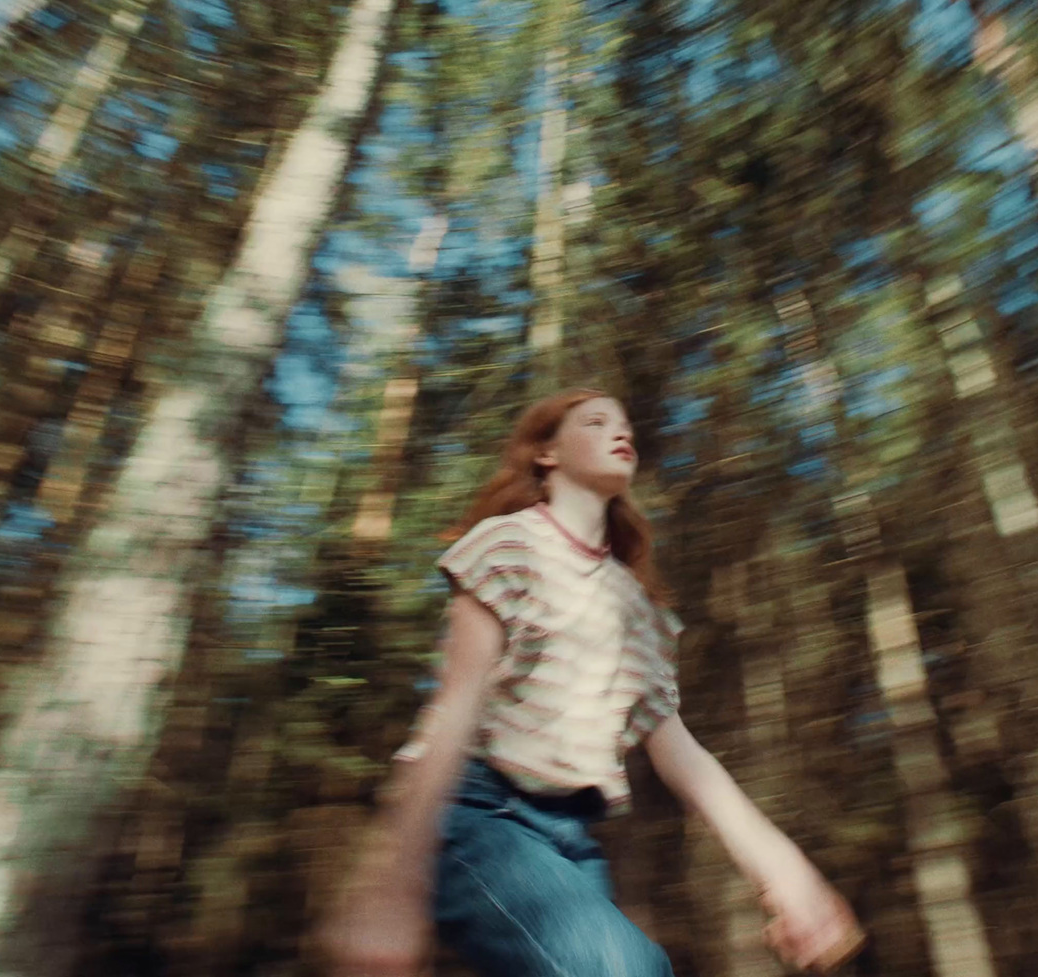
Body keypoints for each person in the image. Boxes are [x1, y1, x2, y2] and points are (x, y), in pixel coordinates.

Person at [320, 388, 865, 976]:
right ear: (546, 453)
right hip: (477, 814)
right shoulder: (507, 545)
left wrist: (783, 872)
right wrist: (395, 877)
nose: (620, 430)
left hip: (572, 843)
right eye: (596, 421)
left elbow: (683, 755)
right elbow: (452, 711)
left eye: (625, 423)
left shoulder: (638, 604)